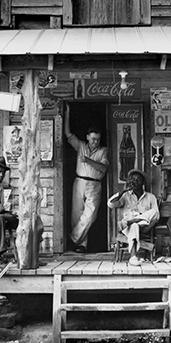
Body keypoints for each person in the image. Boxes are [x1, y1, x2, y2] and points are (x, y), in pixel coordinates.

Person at [64, 103, 109, 253]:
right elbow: (67, 133)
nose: (95, 142)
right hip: (79, 181)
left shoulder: (103, 150)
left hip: (95, 184)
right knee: (77, 214)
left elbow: (103, 168)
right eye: (93, 139)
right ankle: (81, 245)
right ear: (87, 137)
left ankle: (72, 239)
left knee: (89, 216)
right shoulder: (81, 145)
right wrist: (67, 113)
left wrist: (88, 160)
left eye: (98, 139)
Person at [107, 169, 159, 266]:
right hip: (128, 226)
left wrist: (143, 221)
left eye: (138, 180)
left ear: (143, 182)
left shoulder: (150, 197)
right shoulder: (125, 195)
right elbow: (110, 204)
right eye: (133, 180)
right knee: (134, 226)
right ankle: (133, 256)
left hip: (144, 225)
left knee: (153, 212)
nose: (135, 182)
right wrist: (123, 191)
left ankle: (135, 220)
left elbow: (156, 215)